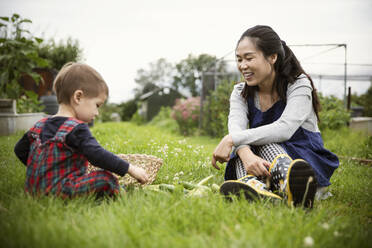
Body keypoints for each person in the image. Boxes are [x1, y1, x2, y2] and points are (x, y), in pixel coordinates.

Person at [212, 25, 339, 208]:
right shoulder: (240, 92)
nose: (242, 65)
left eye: (249, 58)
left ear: (272, 57)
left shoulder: (298, 84)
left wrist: (232, 140)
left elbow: (284, 129)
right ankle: (258, 187)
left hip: (303, 161)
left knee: (261, 140)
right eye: (239, 59)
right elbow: (237, 128)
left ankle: (290, 183)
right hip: (264, 164)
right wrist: (246, 154)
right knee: (246, 148)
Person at [14, 62, 149, 199]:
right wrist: (130, 168)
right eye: (97, 105)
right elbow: (97, 155)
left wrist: (43, 170)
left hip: (33, 190)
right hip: (62, 190)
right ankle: (121, 193)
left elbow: (19, 150)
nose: (97, 113)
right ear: (78, 97)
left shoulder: (39, 125)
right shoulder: (76, 128)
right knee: (106, 178)